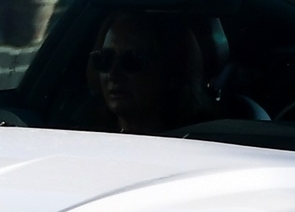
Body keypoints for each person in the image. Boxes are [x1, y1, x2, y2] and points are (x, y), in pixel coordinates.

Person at [88, 10, 219, 134]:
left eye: (132, 61)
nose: (113, 74)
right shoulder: (81, 136)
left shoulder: (206, 142)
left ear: (170, 72)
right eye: (104, 59)